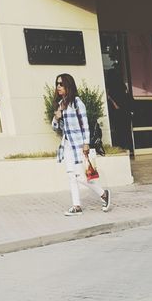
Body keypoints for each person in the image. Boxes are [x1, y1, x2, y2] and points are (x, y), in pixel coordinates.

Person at [52, 73, 111, 215]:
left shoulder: (77, 103)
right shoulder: (61, 105)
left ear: (68, 85)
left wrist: (86, 144)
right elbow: (56, 127)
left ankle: (104, 194)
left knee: (81, 177)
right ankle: (76, 206)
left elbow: (85, 126)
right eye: (57, 84)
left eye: (61, 84)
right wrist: (57, 116)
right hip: (67, 145)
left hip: (78, 145)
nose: (58, 87)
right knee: (71, 176)